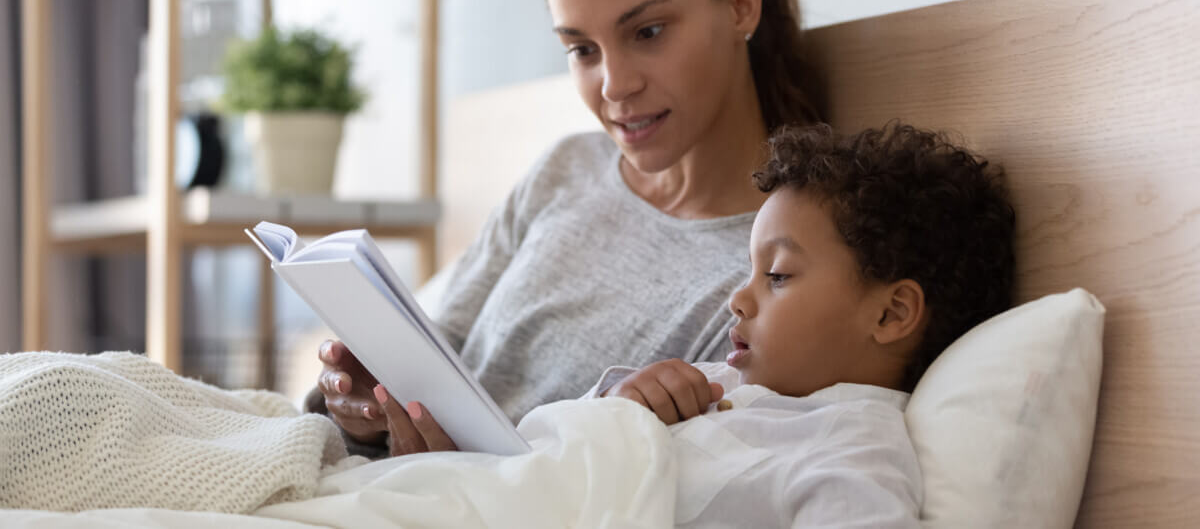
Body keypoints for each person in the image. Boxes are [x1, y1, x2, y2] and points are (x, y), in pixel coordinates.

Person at [313, 0, 824, 453]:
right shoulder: (566, 168)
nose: (614, 86)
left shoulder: (775, 264)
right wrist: (361, 405)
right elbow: (441, 345)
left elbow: (713, 468)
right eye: (582, 49)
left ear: (740, 4)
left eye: (649, 31)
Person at [372, 122, 1016, 529]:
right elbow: (573, 452)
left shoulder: (852, 453)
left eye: (780, 276)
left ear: (890, 313)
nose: (739, 299)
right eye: (751, 271)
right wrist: (626, 404)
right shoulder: (718, 385)